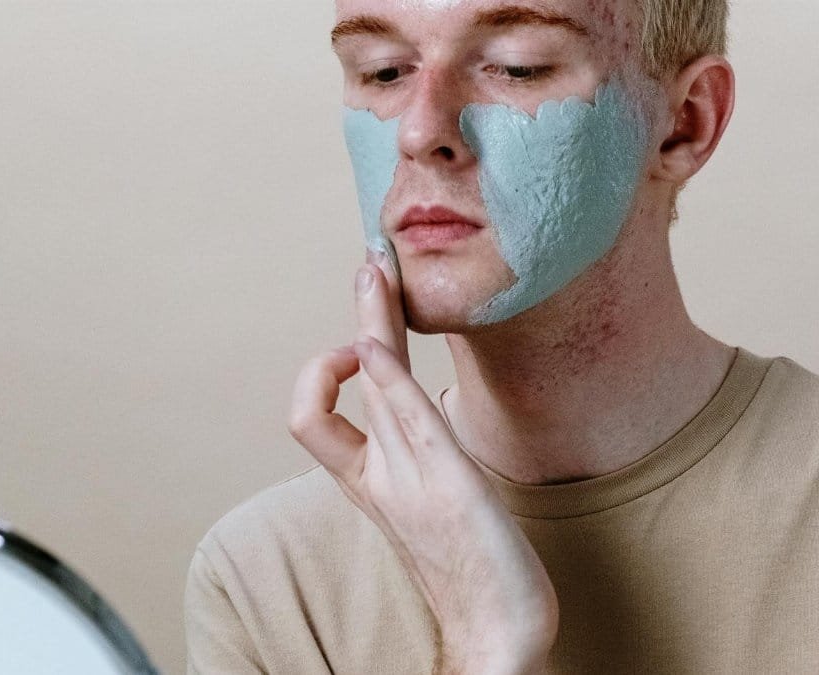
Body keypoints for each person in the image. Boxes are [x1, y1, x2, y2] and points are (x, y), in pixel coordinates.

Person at [183, 0, 819, 673]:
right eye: (383, 72)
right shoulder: (270, 586)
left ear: (683, 123)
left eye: (517, 68)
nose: (420, 130)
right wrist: (484, 642)